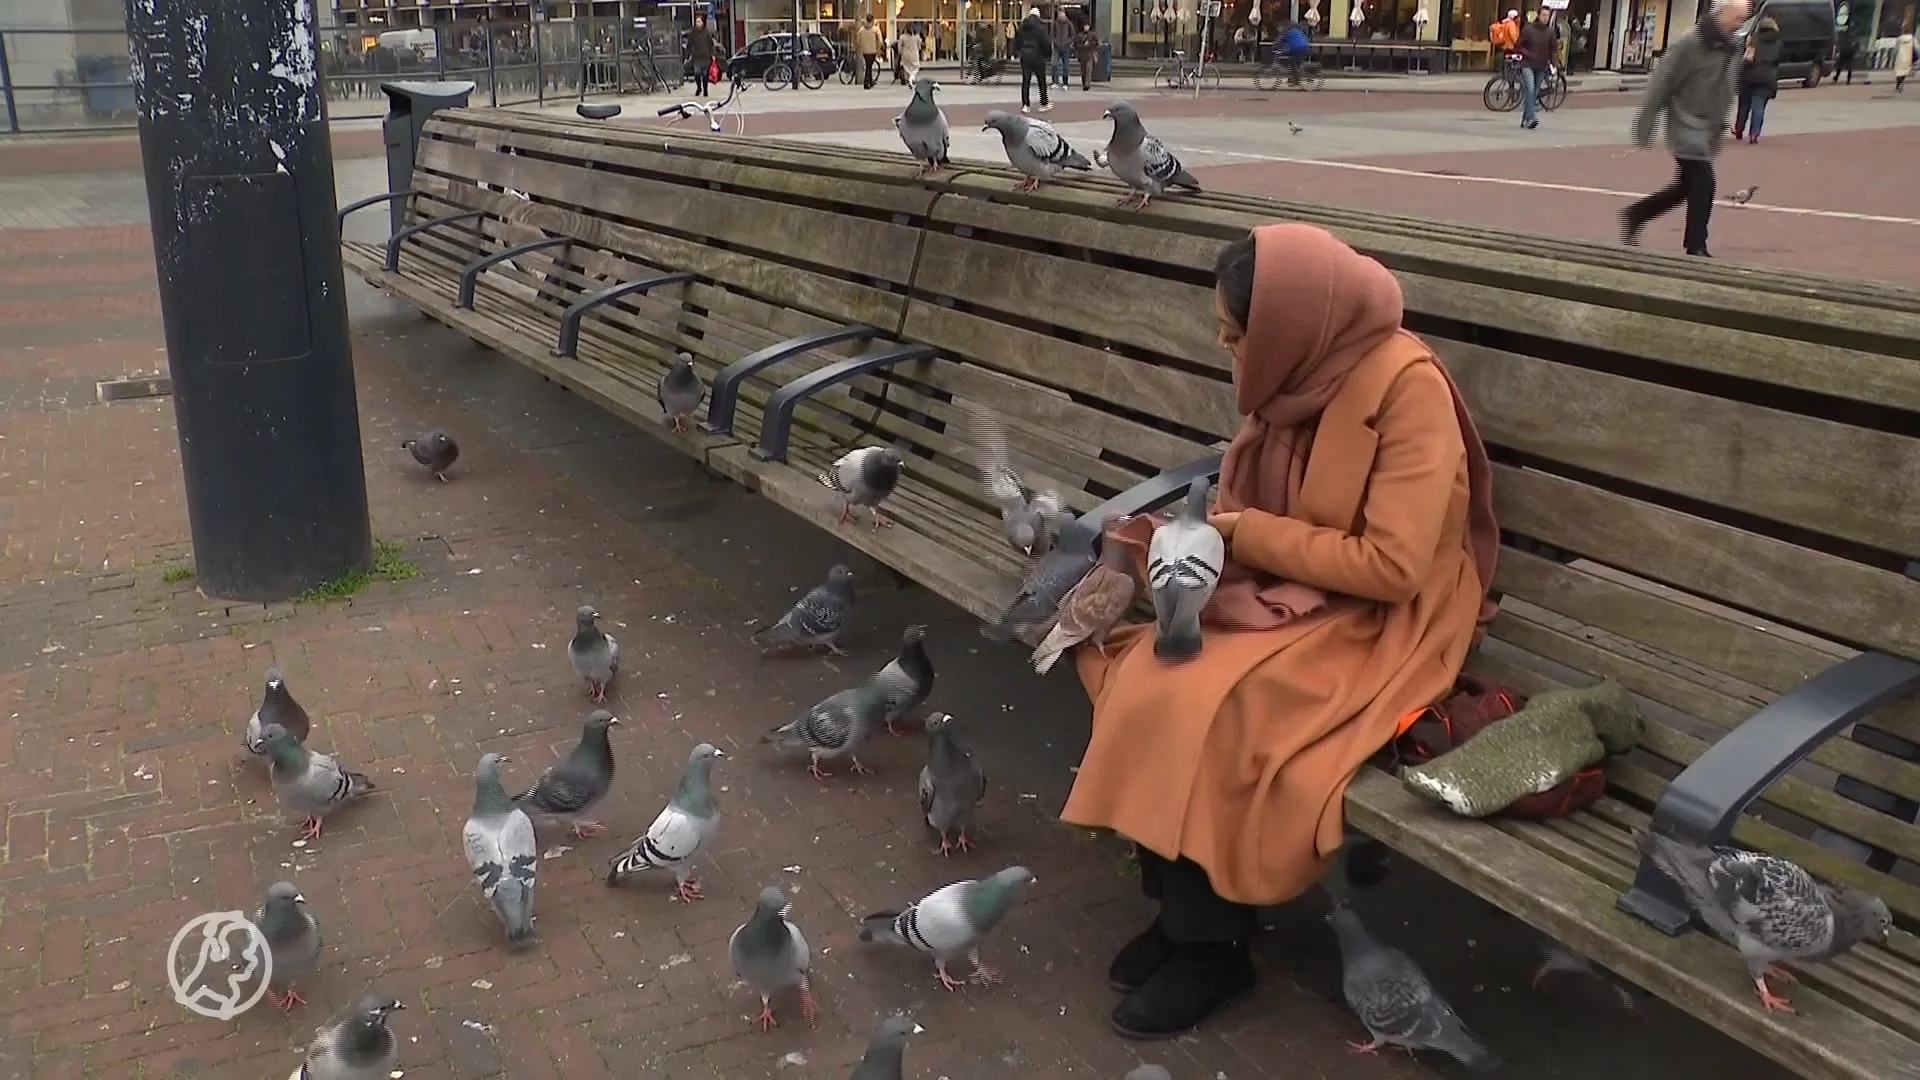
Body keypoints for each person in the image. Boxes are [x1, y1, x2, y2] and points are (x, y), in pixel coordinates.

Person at [1065, 222, 1499, 1041]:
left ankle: (1212, 950)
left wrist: (1245, 535)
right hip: (1295, 592)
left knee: (1208, 701)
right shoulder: (1303, 368)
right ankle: (1181, 918)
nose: (1228, 349)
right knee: (1151, 670)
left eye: (1236, 334)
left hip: (1385, 620)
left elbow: (1394, 567)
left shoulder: (1408, 389)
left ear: (1295, 327)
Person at [1621, 0, 1748, 258]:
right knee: (1703, 181)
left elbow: (1725, 87)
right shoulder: (1690, 43)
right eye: (1737, 18)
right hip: (1685, 122)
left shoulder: (1732, 47)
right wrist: (1645, 125)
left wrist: (1720, 123)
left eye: (1743, 19)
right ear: (1721, 13)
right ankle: (1696, 245)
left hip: (1707, 126)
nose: (1740, 24)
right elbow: (1661, 83)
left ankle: (1638, 213)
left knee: (1685, 187)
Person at [1732, 15, 1780, 143]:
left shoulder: (1754, 39)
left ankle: (1739, 129)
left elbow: (1747, 57)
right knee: (1758, 107)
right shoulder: (1778, 42)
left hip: (1750, 74)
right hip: (1767, 76)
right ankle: (1754, 134)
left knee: (1744, 105)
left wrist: (1740, 70)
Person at [1517, 7, 1556, 129]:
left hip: (1541, 65)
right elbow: (1519, 45)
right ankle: (1531, 118)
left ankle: (1525, 118)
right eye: (1543, 15)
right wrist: (1528, 54)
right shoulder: (1528, 29)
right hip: (1527, 64)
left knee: (1534, 92)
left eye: (1547, 16)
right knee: (1530, 88)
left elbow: (1553, 49)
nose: (1545, 18)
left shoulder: (1550, 32)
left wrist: (1554, 63)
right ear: (1538, 16)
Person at [1016, 7, 1054, 112]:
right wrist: (1047, 55)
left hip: (1025, 56)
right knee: (1041, 81)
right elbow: (1046, 42)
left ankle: (1025, 104)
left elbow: (1017, 41)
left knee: (1026, 81)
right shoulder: (1040, 28)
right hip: (1038, 56)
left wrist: (1019, 52)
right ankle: (1044, 103)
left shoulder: (1022, 27)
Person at [686, 12, 716, 98]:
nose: (697, 23)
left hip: (705, 57)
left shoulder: (707, 32)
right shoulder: (693, 33)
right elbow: (689, 44)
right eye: (696, 22)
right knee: (697, 74)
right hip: (696, 57)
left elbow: (711, 44)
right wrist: (687, 55)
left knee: (705, 75)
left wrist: (712, 54)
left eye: (699, 21)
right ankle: (699, 88)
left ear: (703, 22)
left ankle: (705, 90)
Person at [855, 15, 884, 89]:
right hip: (873, 50)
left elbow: (858, 41)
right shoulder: (875, 29)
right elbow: (880, 40)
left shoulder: (861, 30)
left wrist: (861, 46)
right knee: (869, 66)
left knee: (869, 65)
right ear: (872, 20)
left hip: (865, 51)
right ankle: (866, 82)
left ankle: (870, 81)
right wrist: (879, 48)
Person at [1076, 19, 1102, 90]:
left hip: (1090, 54)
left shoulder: (1093, 34)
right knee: (1083, 70)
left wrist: (1090, 44)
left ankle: (1087, 84)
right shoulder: (1080, 35)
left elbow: (1097, 44)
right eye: (1085, 26)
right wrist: (1082, 45)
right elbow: (1077, 45)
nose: (1086, 27)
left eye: (1087, 26)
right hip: (1082, 55)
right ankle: (1084, 82)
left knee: (1088, 69)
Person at [1055, 8, 1077, 86]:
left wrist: (1068, 42)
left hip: (1065, 47)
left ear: (1064, 13)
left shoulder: (1068, 23)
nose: (1060, 14)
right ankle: (1055, 81)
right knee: (1054, 65)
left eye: (1061, 13)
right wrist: (1055, 41)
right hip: (1057, 47)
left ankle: (1065, 83)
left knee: (1065, 66)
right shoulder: (1055, 23)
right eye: (1059, 13)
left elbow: (1073, 35)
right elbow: (1052, 34)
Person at [1896, 10, 1915, 93]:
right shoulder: (1912, 39)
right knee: (1904, 71)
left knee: (1899, 71)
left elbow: (1896, 47)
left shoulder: (1899, 39)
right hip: (1908, 56)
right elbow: (1917, 48)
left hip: (1900, 56)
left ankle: (1898, 84)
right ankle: (1901, 83)